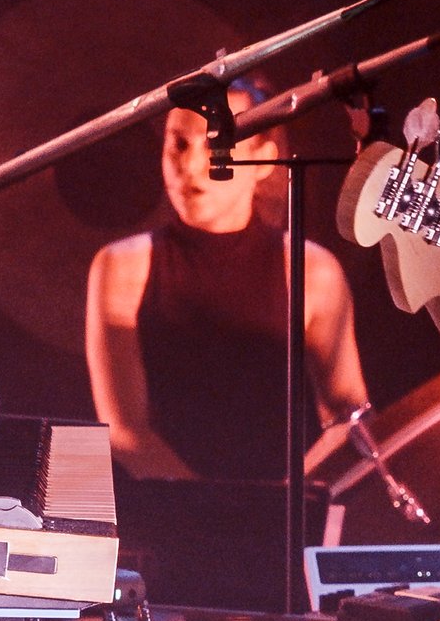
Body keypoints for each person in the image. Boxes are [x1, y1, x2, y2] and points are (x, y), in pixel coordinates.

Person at [85, 86, 369, 481]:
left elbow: (349, 416)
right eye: (178, 145)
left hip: (281, 518)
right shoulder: (121, 267)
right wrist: (216, 511)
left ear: (265, 160)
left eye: (216, 145)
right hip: (166, 515)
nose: (190, 166)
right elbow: (125, 429)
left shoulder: (313, 271)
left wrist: (286, 500)